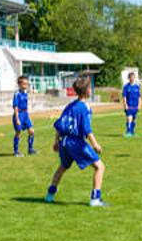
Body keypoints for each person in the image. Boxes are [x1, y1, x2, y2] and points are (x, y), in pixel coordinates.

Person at [44, 76, 107, 207]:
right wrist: (95, 144)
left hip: (64, 141)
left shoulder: (70, 106)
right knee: (99, 166)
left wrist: (56, 141)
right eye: (90, 87)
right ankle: (95, 199)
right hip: (75, 142)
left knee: (63, 166)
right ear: (86, 91)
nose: (91, 89)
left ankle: (50, 195)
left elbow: (60, 124)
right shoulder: (84, 107)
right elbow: (87, 128)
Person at [12, 75, 37, 156]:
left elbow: (26, 105)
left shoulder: (25, 93)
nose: (26, 86)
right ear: (19, 85)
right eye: (24, 84)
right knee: (18, 133)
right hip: (19, 115)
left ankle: (30, 149)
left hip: (25, 115)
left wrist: (28, 116)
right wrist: (17, 119)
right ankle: (16, 151)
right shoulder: (17, 94)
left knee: (32, 131)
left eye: (27, 84)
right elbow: (15, 107)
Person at [121, 72, 142, 137]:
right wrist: (125, 105)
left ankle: (132, 132)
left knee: (134, 119)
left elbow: (139, 97)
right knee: (129, 118)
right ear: (129, 78)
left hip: (135, 106)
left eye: (133, 77)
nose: (132, 78)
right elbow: (124, 97)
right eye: (131, 77)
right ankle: (128, 132)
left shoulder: (137, 87)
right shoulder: (126, 87)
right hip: (129, 105)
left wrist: (139, 105)